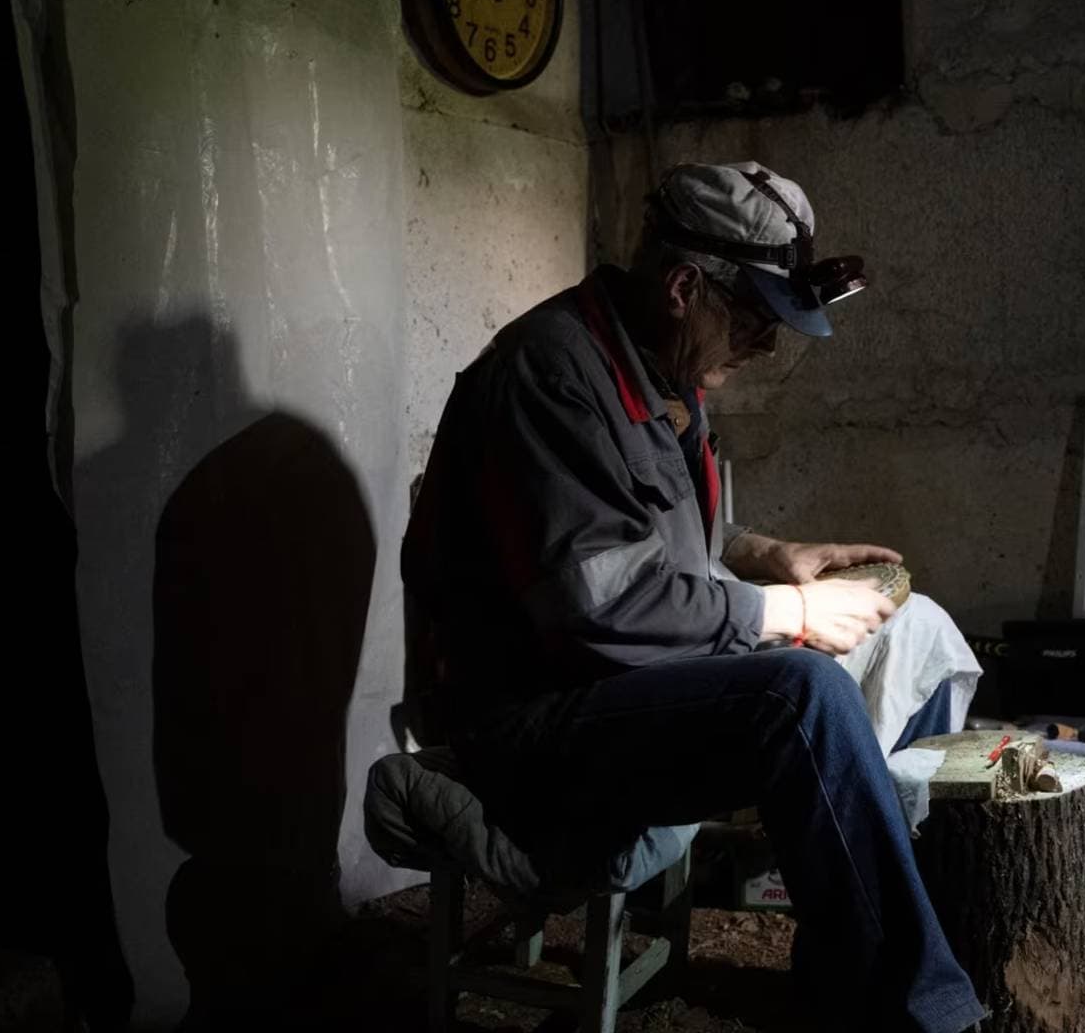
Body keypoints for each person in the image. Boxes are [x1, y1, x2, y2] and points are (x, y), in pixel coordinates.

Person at [403, 161, 985, 1032]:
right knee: (803, 695)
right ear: (684, 286)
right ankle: (924, 1016)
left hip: (624, 681)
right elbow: (594, 603)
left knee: (920, 629)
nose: (766, 347)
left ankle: (849, 972)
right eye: (755, 320)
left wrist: (778, 556)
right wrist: (785, 615)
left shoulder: (660, 369)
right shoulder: (550, 375)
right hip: (533, 717)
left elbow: (679, 545)